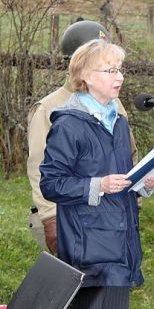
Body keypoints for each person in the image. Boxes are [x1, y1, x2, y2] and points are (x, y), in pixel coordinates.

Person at [39, 39, 154, 309]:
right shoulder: (69, 123)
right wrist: (96, 185)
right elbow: (51, 183)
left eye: (120, 69)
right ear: (85, 77)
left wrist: (142, 183)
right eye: (110, 70)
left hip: (121, 243)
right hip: (88, 247)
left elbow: (120, 178)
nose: (119, 77)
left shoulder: (119, 120)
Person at [27, 19, 138, 255]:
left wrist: (136, 189)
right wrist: (50, 218)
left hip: (110, 215)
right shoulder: (50, 108)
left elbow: (129, 151)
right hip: (67, 216)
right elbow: (40, 169)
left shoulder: (113, 104)